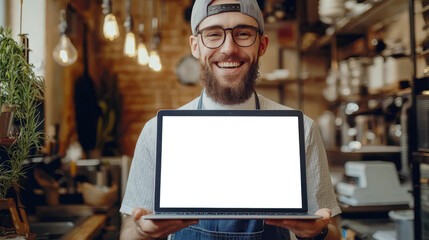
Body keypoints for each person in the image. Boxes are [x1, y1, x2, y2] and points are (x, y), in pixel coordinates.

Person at [120, 0, 342, 239]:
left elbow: (333, 232)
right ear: (195, 46)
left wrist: (316, 232)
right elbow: (129, 233)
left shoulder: (301, 131)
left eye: (243, 33)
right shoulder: (157, 133)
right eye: (213, 34)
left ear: (262, 44)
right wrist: (143, 233)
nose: (228, 48)